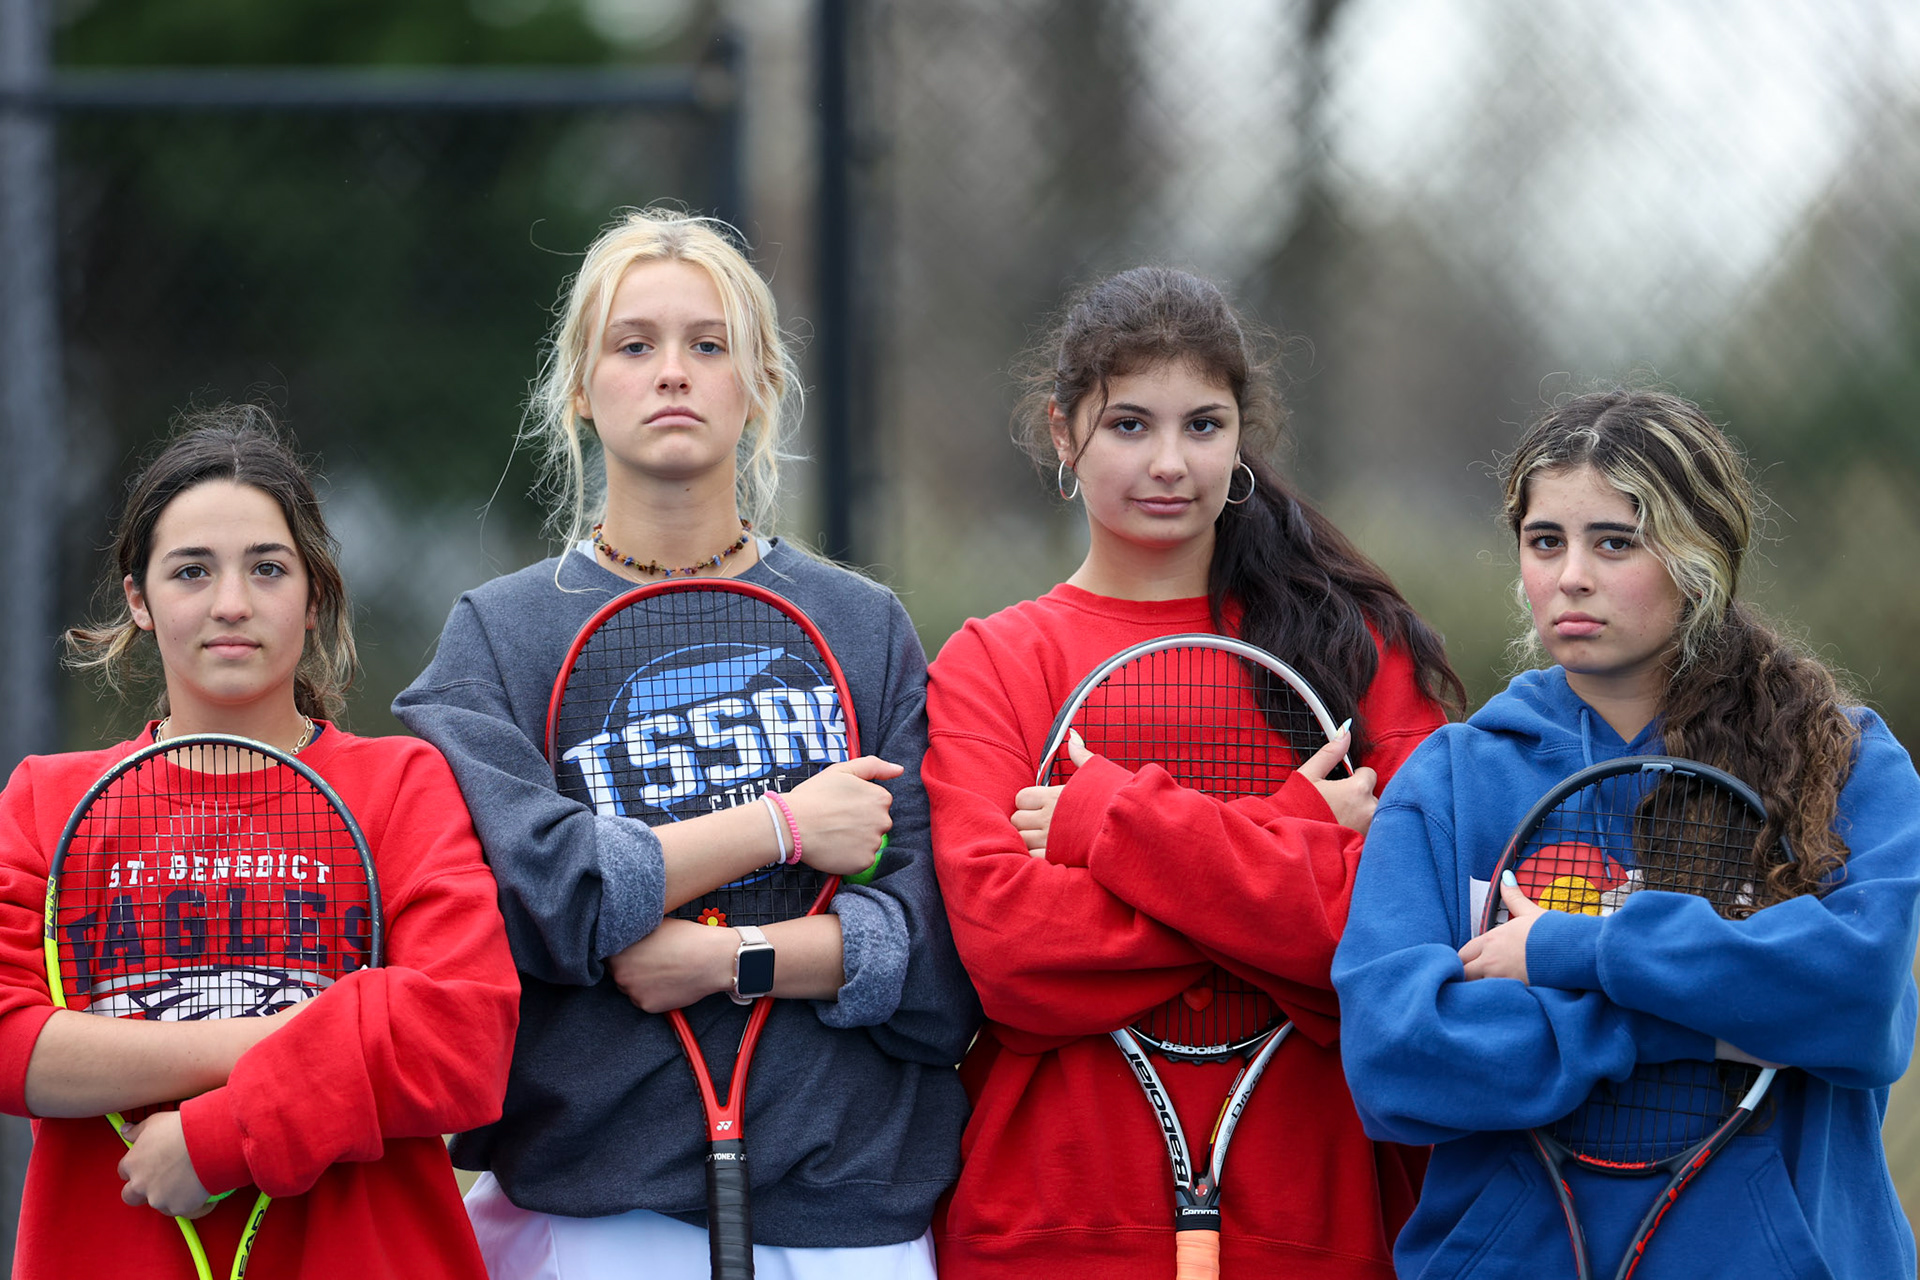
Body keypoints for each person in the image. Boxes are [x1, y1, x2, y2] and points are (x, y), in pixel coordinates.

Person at [392, 207, 976, 1280]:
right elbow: (541, 901)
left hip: (849, 1205)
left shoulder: (863, 624)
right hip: (590, 1206)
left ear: (756, 387)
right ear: (579, 386)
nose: (674, 372)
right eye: (635, 344)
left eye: (709, 346)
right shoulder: (499, 635)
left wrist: (727, 957)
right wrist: (783, 825)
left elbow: (930, 937)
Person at [922, 266, 1466, 1279]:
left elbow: (1399, 928)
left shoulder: (1356, 654)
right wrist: (1293, 823)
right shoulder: (992, 662)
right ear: (1061, 433)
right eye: (1129, 424)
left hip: (1317, 1220)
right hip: (1046, 1224)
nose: (1170, 462)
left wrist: (1108, 823)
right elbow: (1011, 954)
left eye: (1203, 426)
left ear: (1240, 438)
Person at [1332, 389, 1920, 1278]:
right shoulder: (1453, 780)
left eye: (1615, 541)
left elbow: (1860, 1002)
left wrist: (1577, 952)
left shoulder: (1847, 762)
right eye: (1545, 542)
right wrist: (1706, 1018)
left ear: (1699, 559)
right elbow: (1397, 1060)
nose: (1571, 575)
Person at [0, 405, 519, 1279]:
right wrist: (308, 1034)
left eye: (268, 569)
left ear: (313, 596)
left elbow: (460, 1042)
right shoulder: (48, 800)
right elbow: (12, 1040)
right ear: (138, 597)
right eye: (191, 571)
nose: (231, 604)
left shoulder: (402, 785)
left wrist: (216, 1136)